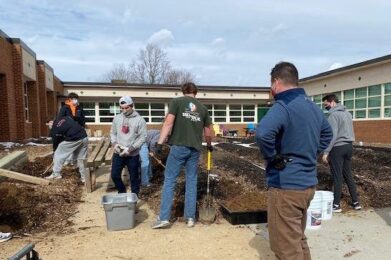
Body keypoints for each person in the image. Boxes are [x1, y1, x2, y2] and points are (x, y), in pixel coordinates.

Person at [256, 62, 333, 260]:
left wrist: (273, 158)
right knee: (297, 238)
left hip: (286, 186)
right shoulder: (312, 106)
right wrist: (310, 152)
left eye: (271, 85)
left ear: (276, 81)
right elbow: (327, 133)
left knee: (286, 248)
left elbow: (263, 133)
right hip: (307, 184)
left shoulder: (284, 105)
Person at [151, 82, 213, 229]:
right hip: (195, 150)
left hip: (178, 147)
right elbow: (208, 132)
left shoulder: (177, 102)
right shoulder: (203, 108)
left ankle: (164, 217)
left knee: (170, 180)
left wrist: (159, 143)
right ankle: (190, 218)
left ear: (183, 91)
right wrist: (209, 145)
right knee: (191, 181)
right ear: (195, 92)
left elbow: (168, 123)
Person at [322, 93, 361, 212]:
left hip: (338, 148)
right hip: (349, 147)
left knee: (337, 176)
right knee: (348, 175)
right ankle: (356, 202)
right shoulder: (348, 114)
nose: (326, 106)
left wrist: (326, 152)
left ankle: (336, 205)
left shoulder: (333, 115)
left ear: (332, 102)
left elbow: (332, 135)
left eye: (326, 104)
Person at [110, 96, 147, 196]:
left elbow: (142, 137)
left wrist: (131, 148)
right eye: (122, 108)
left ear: (132, 106)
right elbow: (113, 133)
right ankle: (122, 193)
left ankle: (134, 198)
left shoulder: (140, 120)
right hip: (119, 153)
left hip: (132, 154)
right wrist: (115, 144)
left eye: (127, 108)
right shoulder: (117, 118)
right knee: (115, 175)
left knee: (134, 178)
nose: (124, 110)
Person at [45, 116, 88, 182]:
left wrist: (55, 152)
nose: (49, 127)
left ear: (51, 122)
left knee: (58, 153)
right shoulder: (65, 118)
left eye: (48, 125)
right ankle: (84, 178)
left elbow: (56, 142)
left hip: (74, 138)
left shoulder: (55, 128)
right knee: (81, 158)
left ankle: (56, 174)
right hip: (84, 137)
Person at [58, 92, 86, 166]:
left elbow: (83, 118)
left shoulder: (79, 108)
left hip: (78, 130)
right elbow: (60, 118)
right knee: (69, 145)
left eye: (76, 99)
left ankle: (74, 161)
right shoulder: (65, 108)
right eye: (74, 99)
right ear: (70, 99)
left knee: (77, 146)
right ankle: (66, 160)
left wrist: (82, 126)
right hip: (68, 130)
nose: (76, 100)